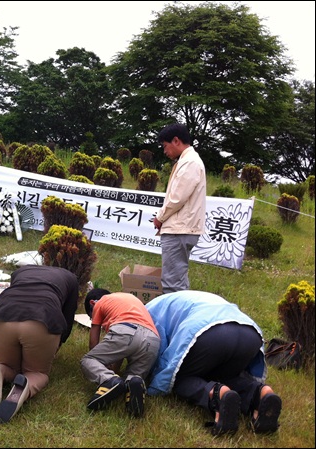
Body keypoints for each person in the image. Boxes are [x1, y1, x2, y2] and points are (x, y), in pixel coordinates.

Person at [145, 290, 282, 436]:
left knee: (181, 378)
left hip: (209, 333)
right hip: (249, 332)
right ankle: (260, 394)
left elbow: (155, 348)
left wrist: (155, 382)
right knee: (226, 377)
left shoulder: (148, 313)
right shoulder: (177, 298)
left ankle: (218, 395)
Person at [0, 265, 79, 424]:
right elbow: (68, 316)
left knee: (8, 365)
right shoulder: (72, 278)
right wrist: (58, 342)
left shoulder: (21, 271)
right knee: (37, 372)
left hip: (2, 315)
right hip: (41, 317)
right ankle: (25, 385)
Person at [80, 288, 161, 417]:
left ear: (92, 303)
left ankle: (109, 380)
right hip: (153, 339)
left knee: (88, 360)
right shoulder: (130, 300)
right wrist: (114, 370)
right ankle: (133, 386)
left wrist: (106, 371)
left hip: (126, 330)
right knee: (133, 378)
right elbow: (120, 353)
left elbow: (93, 344)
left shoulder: (100, 303)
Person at [152, 123, 206, 293]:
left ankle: (175, 319)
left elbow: (177, 198)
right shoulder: (187, 161)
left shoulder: (190, 162)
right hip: (181, 228)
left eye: (165, 146)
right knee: (177, 280)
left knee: (172, 284)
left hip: (179, 230)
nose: (164, 151)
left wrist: (160, 217)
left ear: (176, 141)